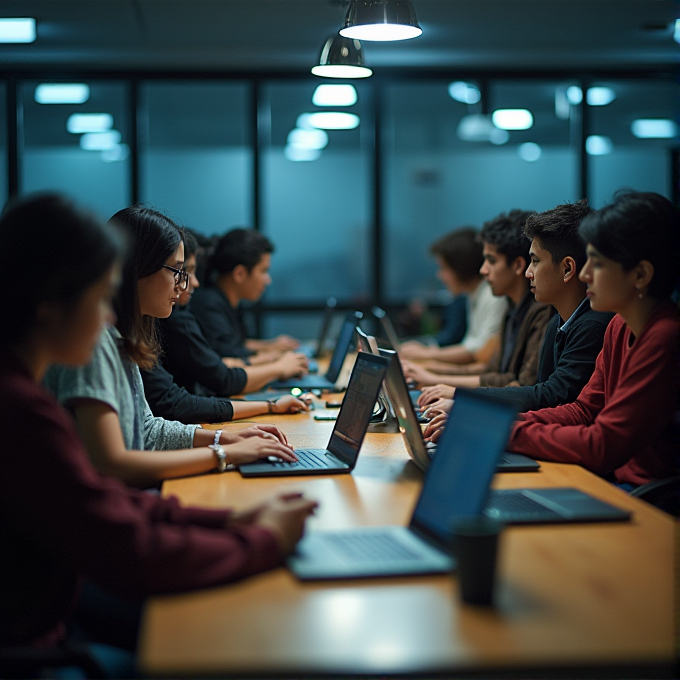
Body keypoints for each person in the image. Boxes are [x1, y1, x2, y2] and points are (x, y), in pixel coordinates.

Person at [0, 193, 317, 665]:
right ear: (49, 305)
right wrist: (261, 539)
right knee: (226, 635)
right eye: (97, 296)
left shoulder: (25, 391)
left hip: (59, 604)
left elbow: (109, 489)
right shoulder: (21, 411)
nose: (107, 314)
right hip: (43, 637)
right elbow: (120, 535)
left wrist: (228, 517)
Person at [45, 205, 300, 488]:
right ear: (138, 268)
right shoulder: (97, 343)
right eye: (177, 271)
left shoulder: (122, 339)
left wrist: (224, 438)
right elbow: (112, 464)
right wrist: (225, 453)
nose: (184, 285)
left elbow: (148, 430)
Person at [508, 190, 680, 488]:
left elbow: (602, 445)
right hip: (622, 485)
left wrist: (503, 432)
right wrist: (498, 425)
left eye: (597, 264)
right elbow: (583, 411)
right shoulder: (619, 326)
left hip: (652, 500)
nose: (585, 274)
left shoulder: (665, 336)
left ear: (640, 275)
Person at [421, 199, 613, 419]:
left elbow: (549, 395)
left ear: (567, 268)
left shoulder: (591, 324)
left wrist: (466, 400)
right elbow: (533, 391)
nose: (528, 273)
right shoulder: (555, 323)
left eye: (535, 261)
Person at [153, 229, 309, 408]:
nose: (194, 283)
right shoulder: (194, 310)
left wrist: (271, 355)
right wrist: (277, 368)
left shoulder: (223, 305)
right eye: (264, 270)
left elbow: (227, 359)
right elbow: (222, 374)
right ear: (240, 273)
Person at [406, 210, 553, 394]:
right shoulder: (511, 306)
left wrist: (439, 380)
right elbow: (490, 370)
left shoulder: (540, 311)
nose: (483, 270)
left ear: (517, 265)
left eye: (491, 261)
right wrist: (431, 374)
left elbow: (522, 384)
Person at [191, 228, 307, 366]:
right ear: (240, 274)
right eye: (263, 271)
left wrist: (271, 346)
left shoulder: (232, 302)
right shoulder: (207, 304)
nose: (268, 280)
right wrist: (275, 360)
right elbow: (228, 358)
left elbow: (239, 344)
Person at [399, 227, 507, 365]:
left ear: (461, 267)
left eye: (444, 268)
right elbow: (471, 345)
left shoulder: (492, 296)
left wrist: (428, 354)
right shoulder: (473, 295)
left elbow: (478, 351)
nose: (440, 275)